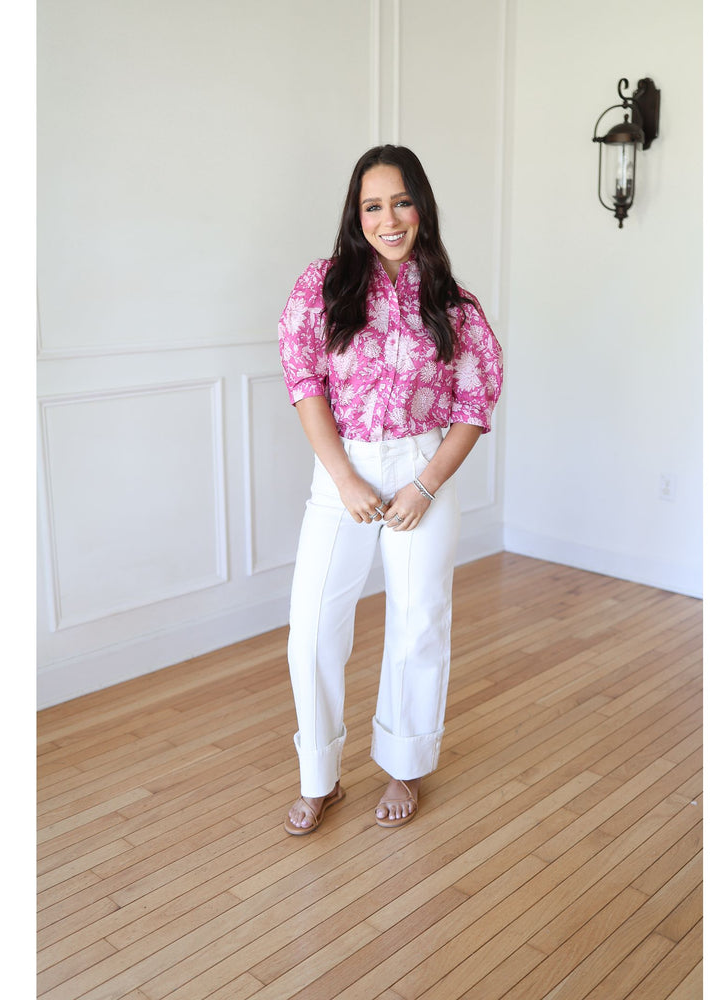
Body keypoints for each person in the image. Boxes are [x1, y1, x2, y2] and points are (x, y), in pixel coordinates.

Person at [277, 144, 503, 835]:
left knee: (418, 621)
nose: (389, 218)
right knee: (312, 628)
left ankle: (404, 764)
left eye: (401, 201)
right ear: (357, 213)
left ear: (421, 206)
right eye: (373, 205)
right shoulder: (323, 284)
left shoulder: (454, 304)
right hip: (340, 470)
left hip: (420, 467)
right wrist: (343, 477)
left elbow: (475, 404)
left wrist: (426, 486)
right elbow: (303, 382)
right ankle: (320, 777)